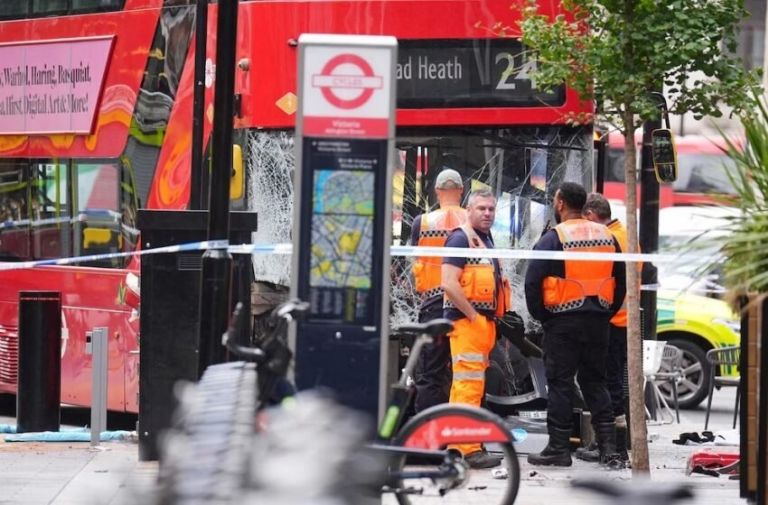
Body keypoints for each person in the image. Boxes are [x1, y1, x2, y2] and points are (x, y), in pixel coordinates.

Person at [525, 182, 626, 467]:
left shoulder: (554, 238)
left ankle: (558, 448)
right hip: (598, 322)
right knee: (596, 382)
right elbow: (621, 280)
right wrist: (606, 312)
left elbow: (532, 282)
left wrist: (543, 316)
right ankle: (608, 449)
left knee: (560, 384)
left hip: (562, 322)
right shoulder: (607, 236)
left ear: (560, 203)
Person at [441, 188, 511, 469]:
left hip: (481, 324)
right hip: (468, 323)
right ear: (468, 209)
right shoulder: (460, 238)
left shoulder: (484, 239)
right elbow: (448, 282)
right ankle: (469, 450)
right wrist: (473, 317)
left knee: (467, 387)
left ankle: (458, 446)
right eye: (481, 208)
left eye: (491, 209)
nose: (487, 213)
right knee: (468, 387)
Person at [578, 192, 637, 463]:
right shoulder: (625, 234)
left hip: (611, 320)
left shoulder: (609, 238)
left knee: (606, 383)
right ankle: (613, 443)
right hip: (622, 319)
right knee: (612, 382)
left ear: (591, 215)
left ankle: (613, 446)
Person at [410, 169, 467, 412]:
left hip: (433, 306)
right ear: (461, 191)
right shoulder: (474, 220)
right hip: (465, 305)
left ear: (437, 191)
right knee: (467, 373)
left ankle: (430, 430)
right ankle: (464, 429)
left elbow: (416, 260)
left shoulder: (421, 223)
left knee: (430, 374)